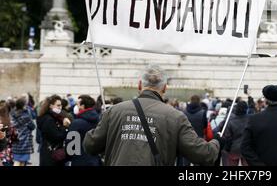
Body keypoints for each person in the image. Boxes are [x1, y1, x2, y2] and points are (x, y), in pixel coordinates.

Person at [83, 65, 221, 166]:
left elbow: (90, 145)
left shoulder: (114, 111)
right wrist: (216, 142)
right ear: (165, 88)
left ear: (139, 85)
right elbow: (203, 155)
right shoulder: (176, 117)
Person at [66, 95, 102, 166]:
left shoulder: (76, 123)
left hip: (79, 161)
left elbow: (70, 148)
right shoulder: (100, 121)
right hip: (95, 160)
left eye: (77, 104)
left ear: (82, 106)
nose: (76, 106)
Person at [37, 95, 71, 166]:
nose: (60, 107)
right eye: (58, 105)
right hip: (51, 155)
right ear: (51, 106)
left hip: (52, 153)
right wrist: (65, 128)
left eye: (61, 105)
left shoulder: (56, 117)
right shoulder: (49, 119)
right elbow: (56, 136)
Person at [10, 97, 35, 166]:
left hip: (16, 140)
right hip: (25, 142)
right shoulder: (25, 115)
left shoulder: (13, 113)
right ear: (23, 105)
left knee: (17, 160)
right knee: (21, 162)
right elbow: (33, 126)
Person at [223, 101, 249, 166]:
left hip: (234, 149)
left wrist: (227, 149)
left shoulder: (231, 122)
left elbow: (228, 137)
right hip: (247, 148)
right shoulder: (251, 120)